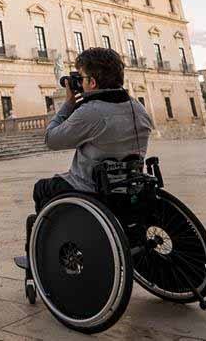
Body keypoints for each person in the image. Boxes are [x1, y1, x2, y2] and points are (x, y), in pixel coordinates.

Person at [25, 48, 154, 256]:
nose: (80, 83)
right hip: (130, 186)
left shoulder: (91, 111)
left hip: (92, 189)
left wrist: (68, 105)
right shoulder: (138, 108)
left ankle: (47, 249)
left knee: (42, 188)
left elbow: (51, 139)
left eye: (82, 77)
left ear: (92, 82)